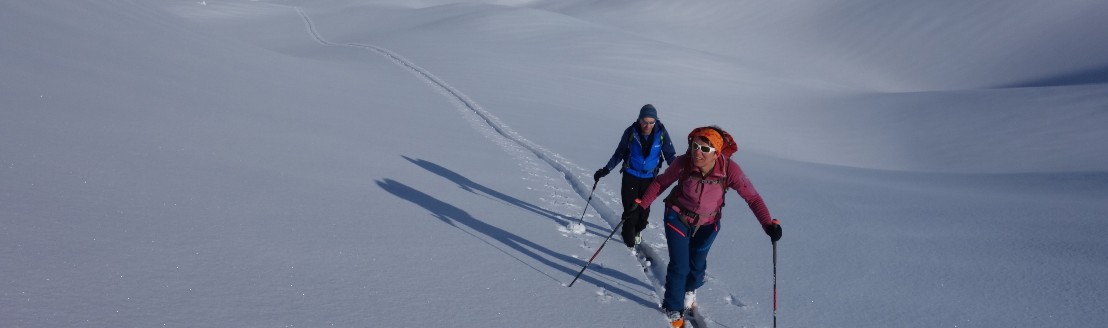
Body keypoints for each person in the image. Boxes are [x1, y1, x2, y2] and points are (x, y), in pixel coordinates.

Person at [625, 126, 782, 327]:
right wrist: (641, 205)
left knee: (697, 266)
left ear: (716, 152)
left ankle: (690, 289)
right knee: (679, 266)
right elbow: (660, 183)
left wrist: (768, 225)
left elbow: (752, 197)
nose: (697, 152)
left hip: (708, 224)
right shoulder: (684, 163)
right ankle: (673, 308)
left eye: (704, 149)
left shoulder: (729, 170)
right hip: (677, 217)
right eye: (695, 146)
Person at [593, 104, 677, 248]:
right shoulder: (631, 132)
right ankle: (628, 243)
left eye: (651, 122)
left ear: (656, 121)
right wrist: (606, 169)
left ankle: (638, 230)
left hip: (650, 178)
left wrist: (680, 173)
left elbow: (670, 156)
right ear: (639, 120)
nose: (647, 125)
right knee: (630, 210)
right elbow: (619, 153)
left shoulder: (661, 133)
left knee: (643, 213)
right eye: (645, 122)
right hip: (630, 175)